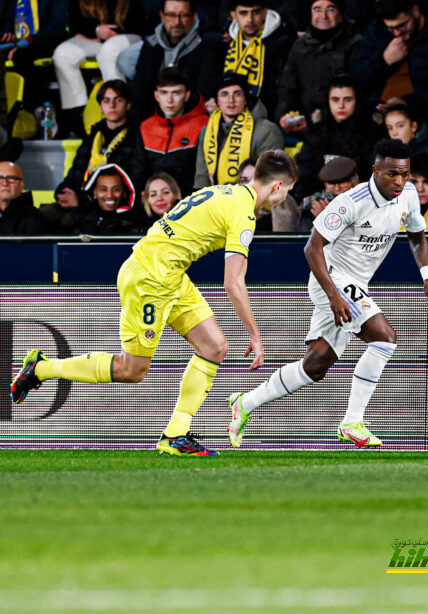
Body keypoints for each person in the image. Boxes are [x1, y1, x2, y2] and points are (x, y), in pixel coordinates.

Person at [11, 150, 299, 457]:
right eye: (288, 193)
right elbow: (233, 283)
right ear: (278, 187)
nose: (283, 200)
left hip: (169, 274)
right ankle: (41, 368)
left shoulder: (227, 191)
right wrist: (255, 335)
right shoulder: (243, 214)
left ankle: (176, 435)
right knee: (131, 370)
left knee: (214, 346)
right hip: (150, 278)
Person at [226, 139, 428, 449]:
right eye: (393, 174)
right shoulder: (349, 202)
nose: (400, 181)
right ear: (376, 171)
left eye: (405, 174)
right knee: (384, 337)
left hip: (354, 285)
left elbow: (417, 235)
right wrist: (333, 295)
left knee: (316, 364)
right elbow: (312, 248)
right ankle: (352, 422)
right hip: (330, 278)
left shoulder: (407, 195)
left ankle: (245, 403)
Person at [351, 0, 428, 122]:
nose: (397, 33)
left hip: (421, 114)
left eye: (401, 26)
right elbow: (356, 78)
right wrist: (383, 60)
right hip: (376, 109)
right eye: (390, 28)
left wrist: (408, 102)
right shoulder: (377, 30)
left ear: (416, 11)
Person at [52, 1, 141, 136]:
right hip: (96, 37)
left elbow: (139, 22)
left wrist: (109, 32)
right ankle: (79, 115)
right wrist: (96, 30)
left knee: (108, 50)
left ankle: (118, 114)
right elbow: (75, 24)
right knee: (63, 53)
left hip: (129, 36)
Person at [130, 0, 224, 122]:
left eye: (183, 15)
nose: (177, 22)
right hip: (153, 123)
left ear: (194, 16)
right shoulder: (151, 45)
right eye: (171, 15)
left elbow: (204, 93)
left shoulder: (208, 45)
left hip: (190, 124)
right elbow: (139, 93)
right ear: (162, 16)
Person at [276, 0, 362, 132]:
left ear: (340, 13)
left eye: (330, 9)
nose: (324, 16)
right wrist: (285, 115)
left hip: (342, 128)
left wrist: (316, 120)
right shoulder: (299, 46)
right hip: (301, 126)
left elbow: (356, 93)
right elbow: (287, 87)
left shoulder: (355, 44)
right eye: (317, 10)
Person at [295, 74, 382, 199]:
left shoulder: (372, 132)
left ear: (356, 100)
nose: (341, 106)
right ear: (328, 101)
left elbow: (375, 175)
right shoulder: (315, 131)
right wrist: (306, 199)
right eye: (335, 100)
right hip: (320, 199)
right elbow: (306, 172)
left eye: (347, 99)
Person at [194, 73, 283, 188]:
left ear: (245, 99)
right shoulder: (207, 132)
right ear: (217, 102)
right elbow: (202, 177)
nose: (231, 100)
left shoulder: (267, 131)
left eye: (237, 94)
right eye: (224, 94)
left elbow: (271, 180)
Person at [55, 80, 135, 206]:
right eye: (106, 101)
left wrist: (80, 200)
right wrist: (64, 191)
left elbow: (125, 183)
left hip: (108, 204)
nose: (112, 105)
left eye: (118, 100)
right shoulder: (94, 134)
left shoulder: (135, 136)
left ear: (128, 104)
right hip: (80, 199)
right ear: (100, 107)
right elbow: (77, 169)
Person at [130, 68, 208, 197]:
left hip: (190, 201)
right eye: (164, 93)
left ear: (187, 95)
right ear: (156, 96)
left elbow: (203, 174)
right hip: (155, 202)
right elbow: (138, 173)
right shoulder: (146, 127)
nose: (170, 100)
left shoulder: (203, 124)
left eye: (176, 93)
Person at [221, 0, 295, 118]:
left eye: (255, 12)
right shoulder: (226, 46)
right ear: (234, 16)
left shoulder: (283, 44)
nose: (250, 19)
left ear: (265, 13)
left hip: (270, 120)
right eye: (244, 13)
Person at [384, 104, 428, 183]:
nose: (394, 133)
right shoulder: (386, 153)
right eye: (390, 128)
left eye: (400, 126)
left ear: (413, 126)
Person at [66, 164, 137, 235]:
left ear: (124, 193)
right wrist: (74, 211)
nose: (109, 195)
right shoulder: (81, 218)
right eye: (103, 189)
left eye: (116, 189)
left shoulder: (134, 222)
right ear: (95, 192)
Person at [299, 156, 359, 231]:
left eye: (342, 182)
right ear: (324, 184)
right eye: (331, 183)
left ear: (356, 181)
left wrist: (326, 217)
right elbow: (305, 239)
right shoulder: (313, 205)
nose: (337, 188)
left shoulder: (366, 205)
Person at [0, 161, 47, 234]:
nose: (5, 183)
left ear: (21, 185)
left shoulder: (33, 218)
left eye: (11, 178)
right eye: (0, 178)